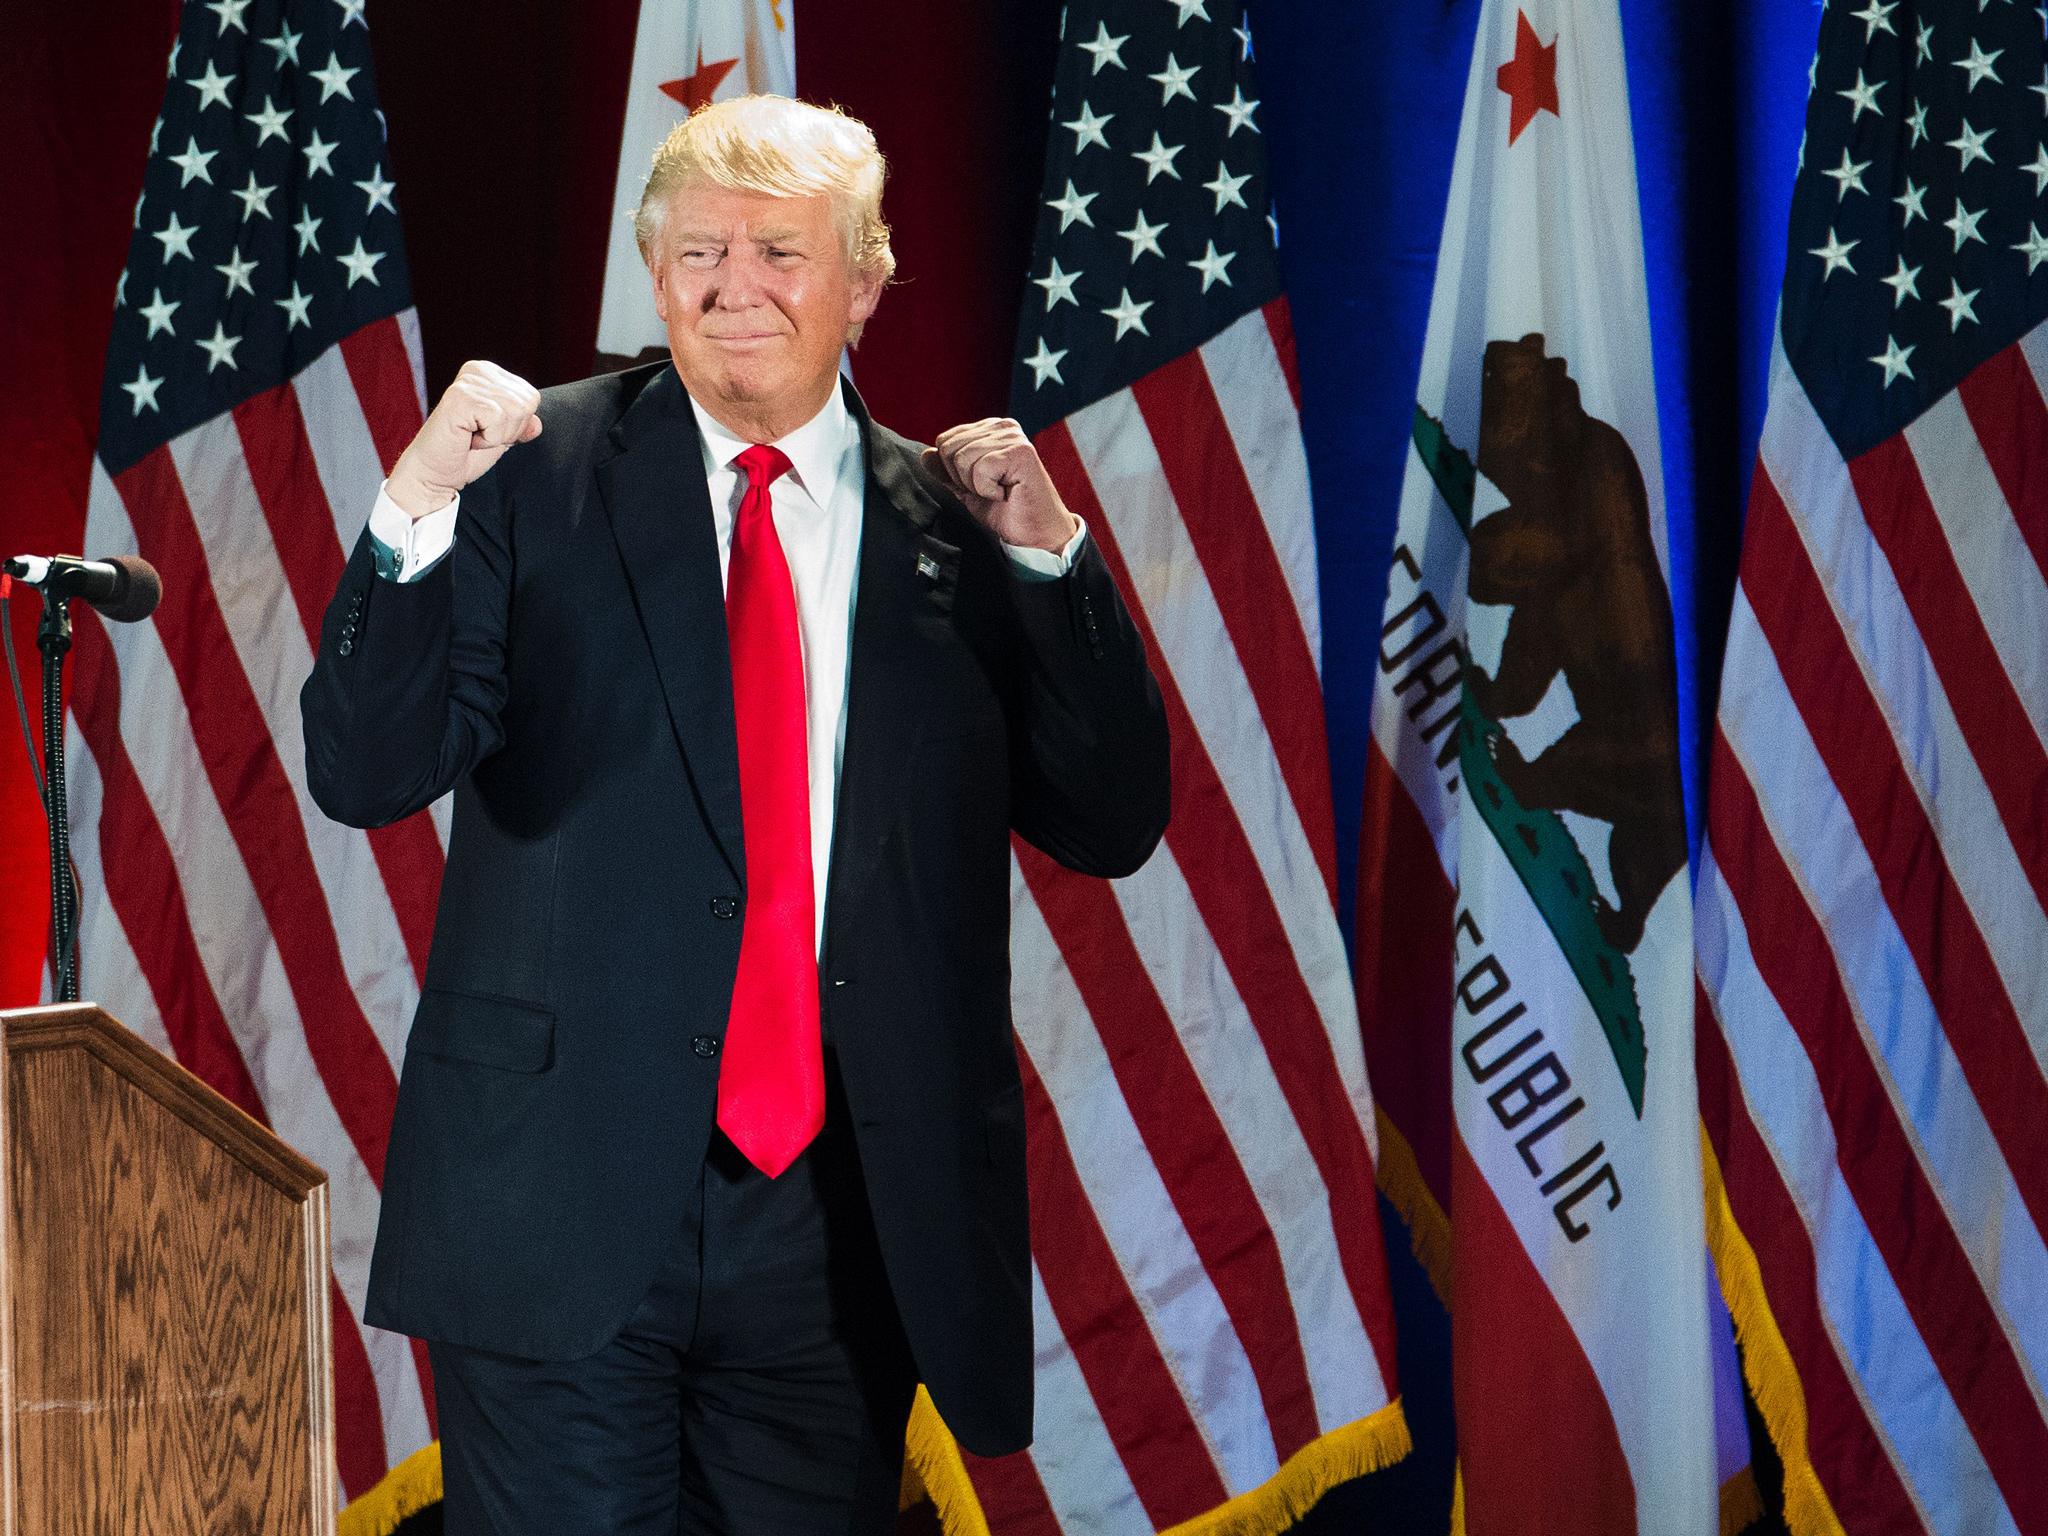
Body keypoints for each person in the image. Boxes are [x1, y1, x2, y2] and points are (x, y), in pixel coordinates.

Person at [300, 94, 1169, 1534]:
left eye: (780, 248)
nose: (734, 286)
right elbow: (364, 772)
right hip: (557, 1198)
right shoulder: (527, 479)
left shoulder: (958, 525)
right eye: (698, 249)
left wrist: (1052, 561)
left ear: (866, 282)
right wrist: (412, 503)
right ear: (655, 271)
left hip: (840, 1229)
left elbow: (1111, 817)